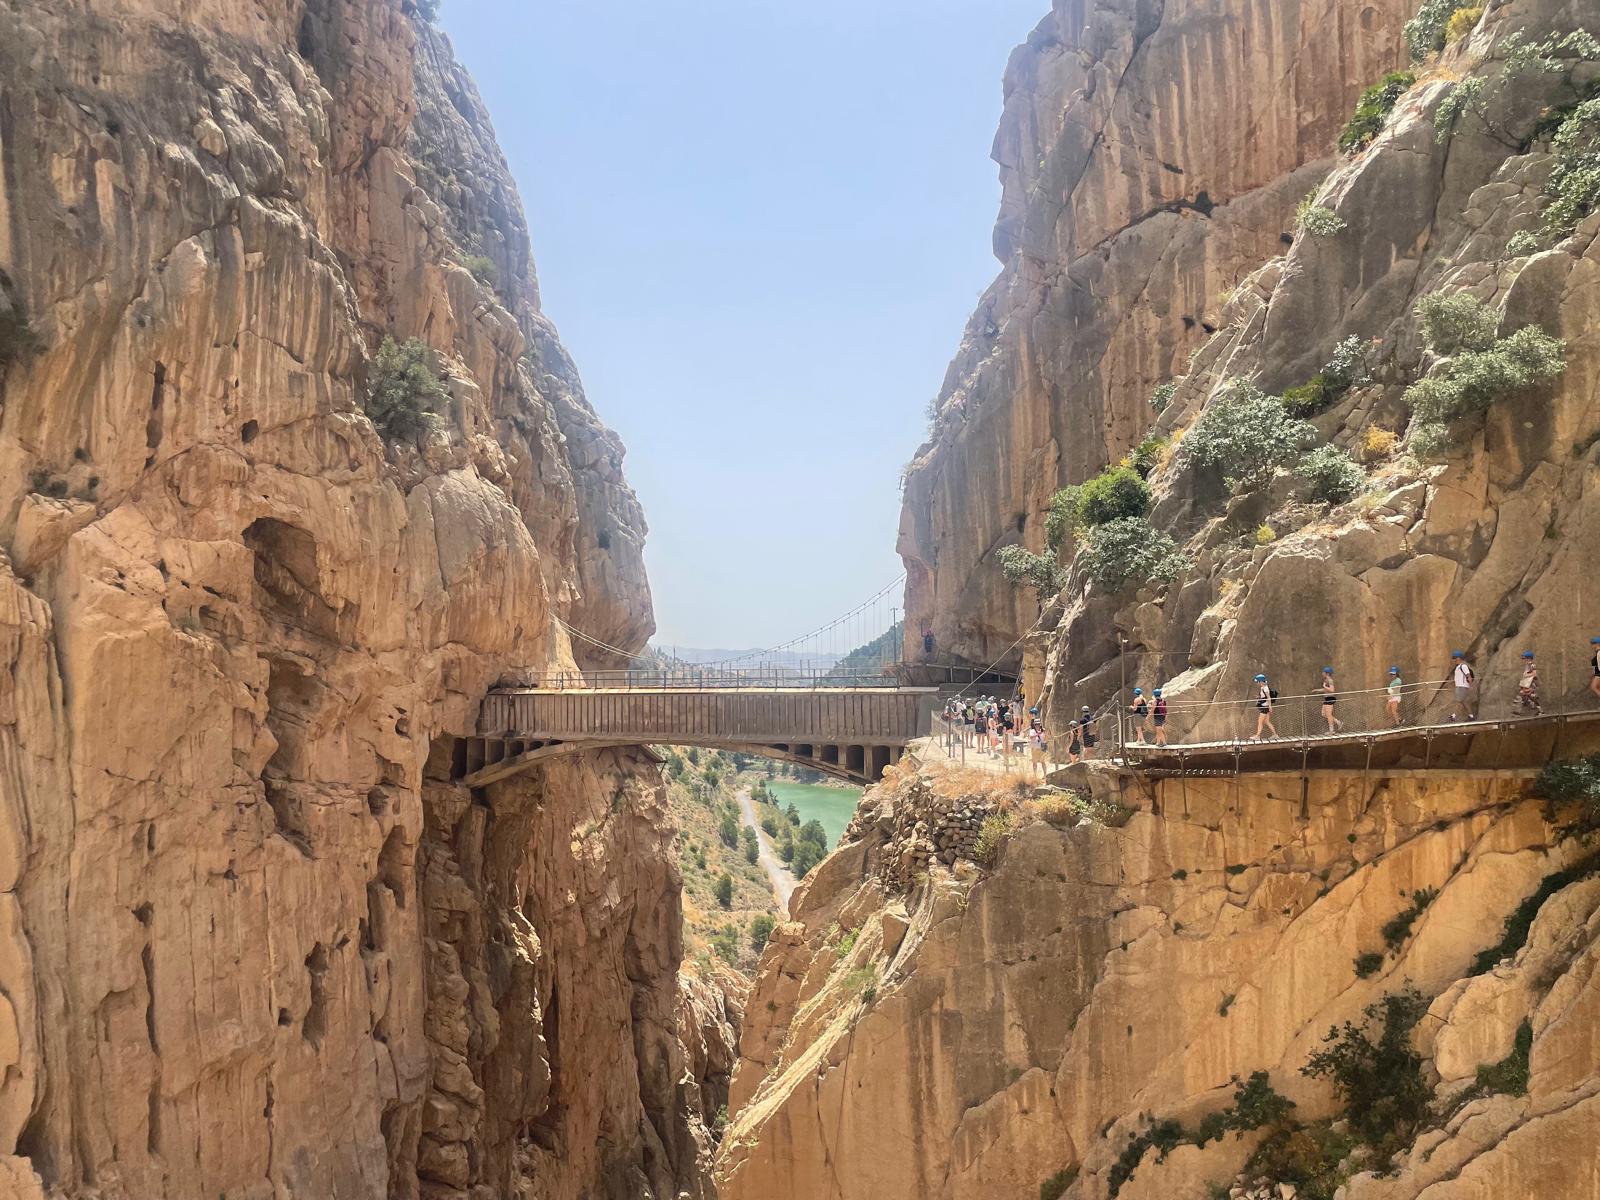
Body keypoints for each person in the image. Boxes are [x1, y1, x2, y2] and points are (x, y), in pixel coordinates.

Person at [1450, 651, 1475, 722]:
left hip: (1462, 686)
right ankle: (1471, 716)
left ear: (1459, 658)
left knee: (1459, 701)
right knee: (1464, 702)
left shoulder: (1463, 666)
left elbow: (1468, 676)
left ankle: (1453, 716)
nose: (1454, 660)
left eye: (1455, 658)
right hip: (1459, 686)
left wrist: (1471, 686)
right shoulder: (1458, 667)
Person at [1254, 673, 1278, 740]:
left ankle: (1257, 736)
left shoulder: (1265, 688)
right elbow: (1264, 697)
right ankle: (1275, 735)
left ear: (1261, 681)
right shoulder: (1263, 687)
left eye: (1258, 681)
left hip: (1265, 707)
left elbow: (1268, 698)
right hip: (1265, 707)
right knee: (1267, 722)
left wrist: (1270, 706)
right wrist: (1258, 697)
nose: (1257, 683)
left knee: (1260, 721)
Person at [1516, 651, 1541, 716]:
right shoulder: (1527, 666)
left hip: (1531, 684)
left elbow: (1534, 674)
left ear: (1529, 658)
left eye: (1525, 659)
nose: (1524, 660)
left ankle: (1539, 711)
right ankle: (1519, 711)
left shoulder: (1532, 665)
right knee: (1524, 696)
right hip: (1526, 684)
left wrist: (1526, 675)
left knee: (1531, 697)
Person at [1321, 667, 1343, 734]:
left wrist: (1324, 686)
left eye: (1323, 672)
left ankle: (1331, 731)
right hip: (1327, 698)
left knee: (1328, 715)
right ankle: (1338, 722)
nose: (1322, 673)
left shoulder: (1330, 680)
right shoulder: (1326, 680)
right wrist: (1317, 690)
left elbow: (1332, 690)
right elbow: (1326, 689)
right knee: (1324, 714)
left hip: (1330, 698)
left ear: (1327, 673)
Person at [1591, 637, 1600, 703]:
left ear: (1598, 644)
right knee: (1597, 688)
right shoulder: (1597, 652)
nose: (1592, 644)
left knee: (1593, 687)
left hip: (1598, 674)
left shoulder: (1599, 652)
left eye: (1594, 643)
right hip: (1597, 674)